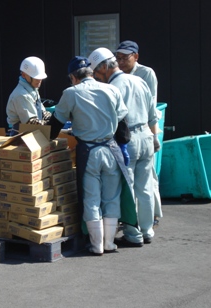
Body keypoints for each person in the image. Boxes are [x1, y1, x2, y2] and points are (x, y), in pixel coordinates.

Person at [48, 56, 129, 255]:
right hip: (112, 150)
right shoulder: (112, 89)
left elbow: (53, 127)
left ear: (73, 77)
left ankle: (96, 245)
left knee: (92, 198)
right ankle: (109, 243)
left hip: (89, 151)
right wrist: (123, 146)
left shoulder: (70, 93)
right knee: (112, 197)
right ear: (91, 73)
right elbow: (124, 129)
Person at [88, 47, 161, 247]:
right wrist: (155, 137)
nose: (95, 76)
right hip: (146, 135)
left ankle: (133, 232)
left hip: (126, 140)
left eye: (96, 72)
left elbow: (109, 120)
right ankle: (147, 230)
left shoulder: (112, 88)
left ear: (104, 67)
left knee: (127, 188)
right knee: (145, 187)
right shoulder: (139, 81)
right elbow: (153, 115)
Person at [116, 40, 163, 226]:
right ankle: (138, 221)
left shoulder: (146, 73)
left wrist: (154, 136)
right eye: (117, 57)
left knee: (148, 178)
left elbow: (151, 104)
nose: (120, 61)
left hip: (143, 128)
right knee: (134, 180)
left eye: (124, 57)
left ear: (135, 57)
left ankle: (152, 216)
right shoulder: (117, 76)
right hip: (127, 130)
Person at [6, 56, 52, 134]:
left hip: (33, 132)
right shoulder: (21, 95)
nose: (39, 80)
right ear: (24, 75)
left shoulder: (33, 90)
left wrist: (55, 118)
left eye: (40, 78)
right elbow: (31, 123)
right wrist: (54, 124)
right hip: (21, 135)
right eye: (36, 78)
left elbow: (42, 113)